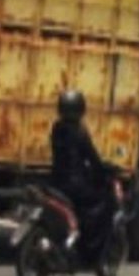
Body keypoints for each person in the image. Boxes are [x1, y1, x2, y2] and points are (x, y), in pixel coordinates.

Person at [50, 89, 110, 253]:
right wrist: (102, 173)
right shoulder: (79, 131)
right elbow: (92, 156)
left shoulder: (57, 128)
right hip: (74, 185)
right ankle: (87, 244)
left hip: (56, 181)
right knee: (100, 201)